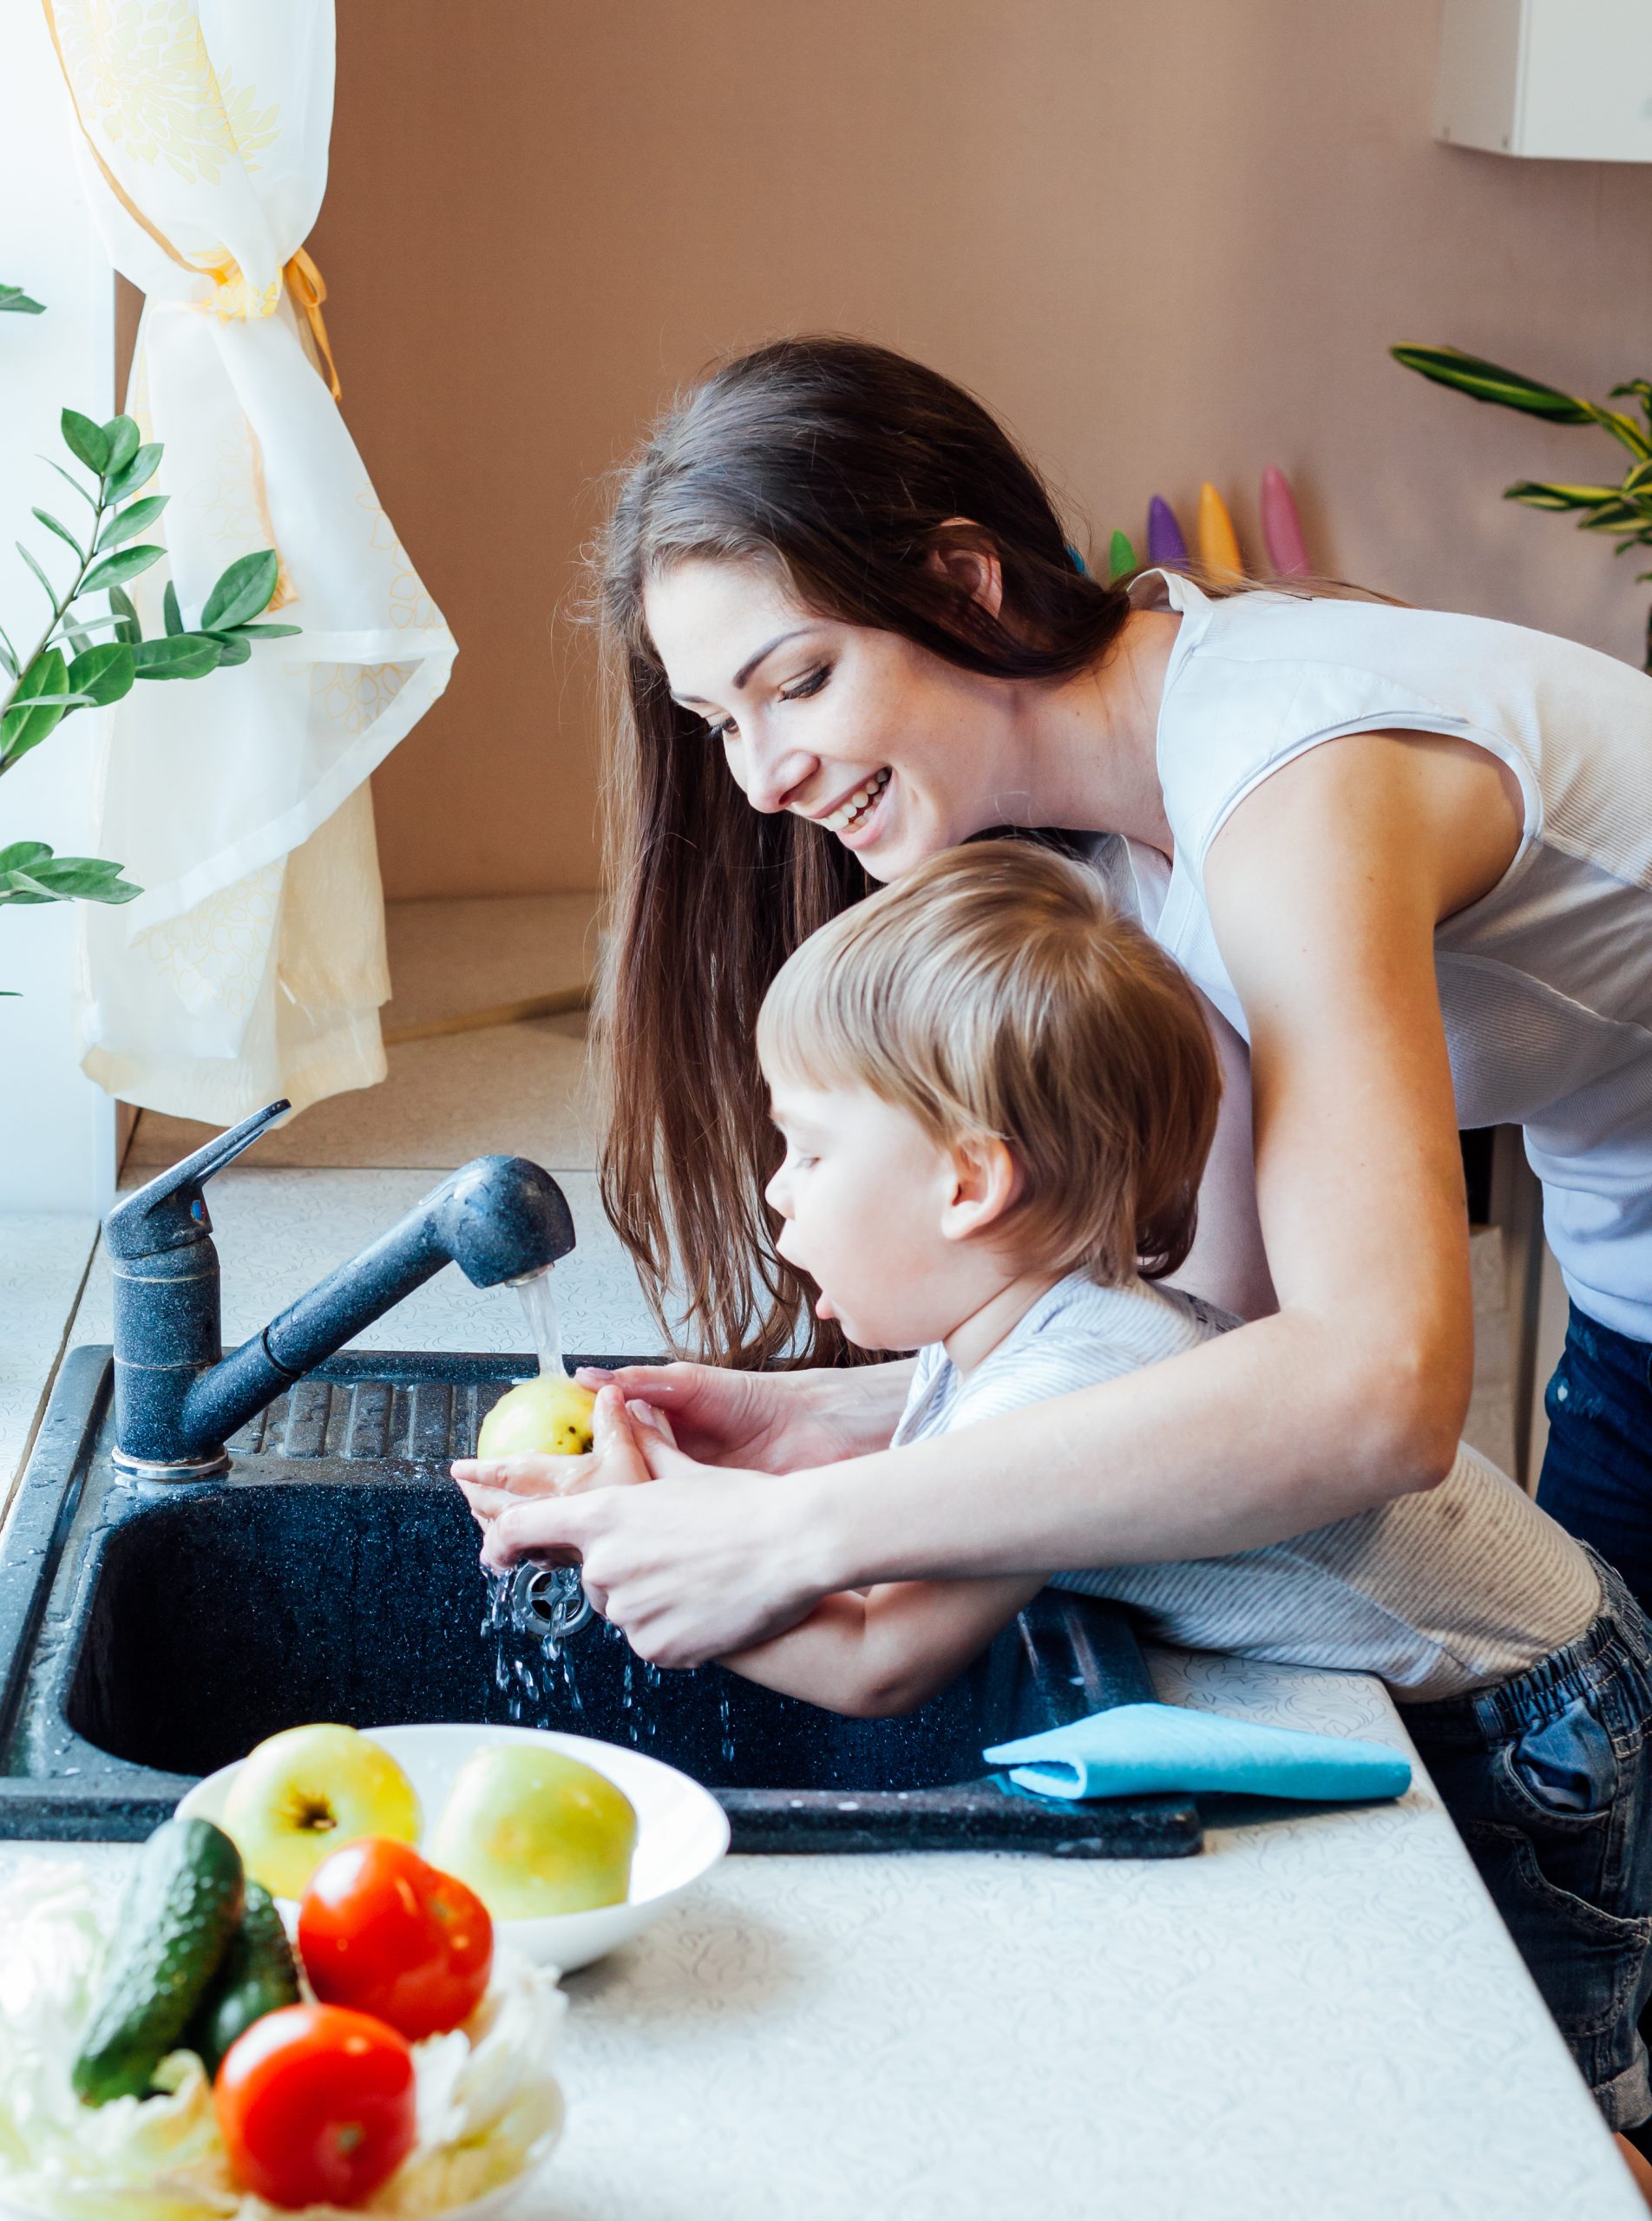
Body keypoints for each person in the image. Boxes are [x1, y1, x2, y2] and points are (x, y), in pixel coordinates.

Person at [461, 843, 1652, 2155]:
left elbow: (879, 1656)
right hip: (1538, 1658)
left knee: (1549, 2127)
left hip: (1533, 1721)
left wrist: (647, 1528)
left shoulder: (1065, 1385)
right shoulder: (1025, 1340)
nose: (776, 1190)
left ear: (970, 1183)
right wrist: (703, 1476)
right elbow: (903, 1520)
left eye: (805, 1146)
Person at [475, 334, 1652, 1656]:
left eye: (797, 682)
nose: (760, 780)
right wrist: (836, 1421)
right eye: (719, 721)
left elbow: (1377, 1392)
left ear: (968, 590)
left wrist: (804, 1531)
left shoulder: (1289, 796)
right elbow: (1202, 1340)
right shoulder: (1095, 864)